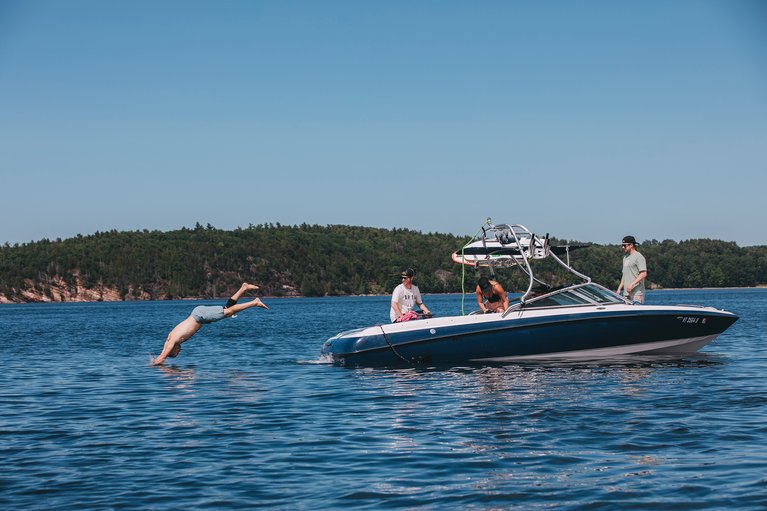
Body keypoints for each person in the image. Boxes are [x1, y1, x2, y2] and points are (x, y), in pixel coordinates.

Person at [151, 283, 268, 365]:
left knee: (228, 312)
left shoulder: (172, 342)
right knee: (228, 308)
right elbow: (162, 354)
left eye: (177, 353)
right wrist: (155, 360)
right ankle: (243, 288)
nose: (179, 352)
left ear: (172, 350)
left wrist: (153, 366)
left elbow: (162, 357)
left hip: (200, 316)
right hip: (199, 315)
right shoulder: (169, 340)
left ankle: (254, 302)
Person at [617, 235, 648, 304]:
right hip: (625, 294)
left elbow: (643, 273)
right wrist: (619, 289)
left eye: (624, 245)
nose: (622, 247)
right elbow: (624, 275)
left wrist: (632, 284)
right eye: (622, 245)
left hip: (637, 294)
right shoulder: (625, 257)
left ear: (631, 245)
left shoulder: (639, 257)